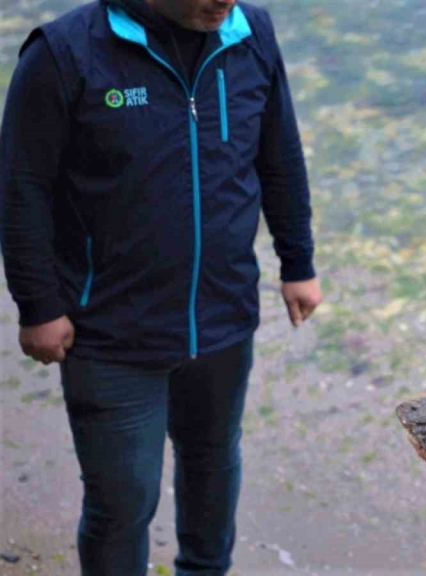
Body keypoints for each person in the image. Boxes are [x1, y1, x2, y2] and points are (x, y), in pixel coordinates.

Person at [0, 0, 321, 574]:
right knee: (122, 503)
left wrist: (297, 261)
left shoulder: (250, 31)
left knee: (213, 464)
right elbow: (21, 189)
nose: (224, 1)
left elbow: (279, 153)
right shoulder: (64, 52)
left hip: (224, 317)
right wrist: (38, 305)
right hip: (110, 332)